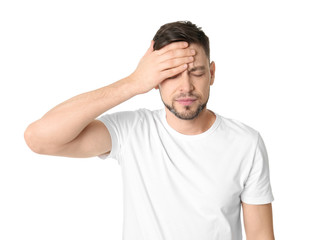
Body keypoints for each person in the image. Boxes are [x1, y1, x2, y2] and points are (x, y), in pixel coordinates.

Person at [24, 20, 275, 240]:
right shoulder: (132, 131)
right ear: (155, 81)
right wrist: (133, 82)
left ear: (211, 74)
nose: (185, 87)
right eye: (171, 74)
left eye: (196, 73)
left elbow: (261, 235)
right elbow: (39, 138)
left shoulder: (246, 142)